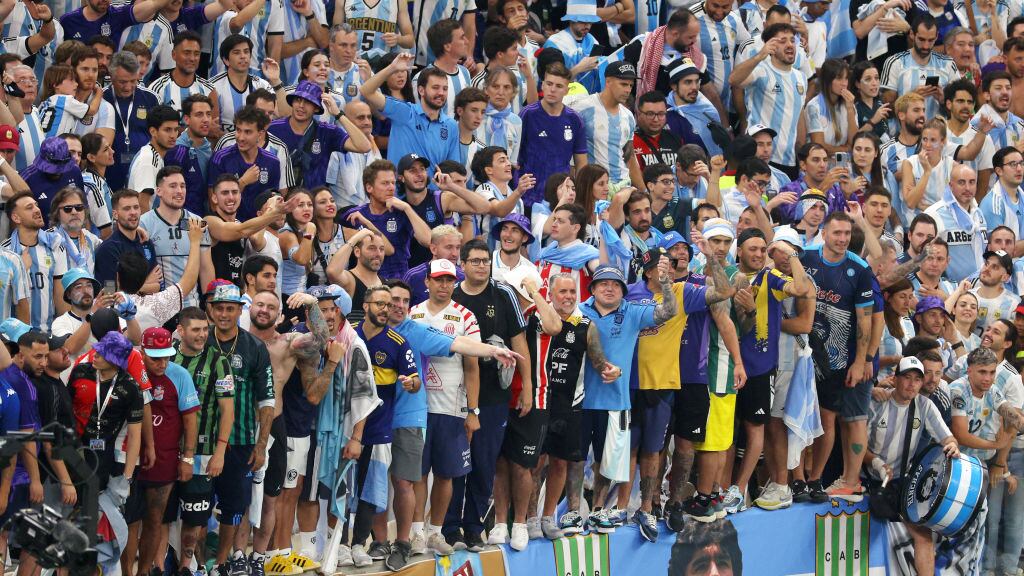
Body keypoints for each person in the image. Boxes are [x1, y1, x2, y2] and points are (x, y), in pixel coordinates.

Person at [446, 239, 530, 550]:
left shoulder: (503, 294)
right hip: (453, 397)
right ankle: (449, 527)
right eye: (476, 261)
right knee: (454, 464)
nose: (482, 266)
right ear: (463, 265)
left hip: (494, 398)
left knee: (484, 465)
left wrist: (528, 389)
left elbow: (521, 345)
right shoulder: (451, 296)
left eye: (486, 261)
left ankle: (473, 527)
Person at [801, 211, 876, 502]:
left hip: (836, 359)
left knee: (826, 420)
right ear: (824, 232)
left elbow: (866, 320)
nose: (843, 239)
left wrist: (860, 361)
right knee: (791, 419)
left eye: (847, 234)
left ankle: (816, 479)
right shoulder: (805, 257)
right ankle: (792, 479)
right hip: (799, 353)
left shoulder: (859, 269)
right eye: (837, 233)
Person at [203, 279, 275, 576]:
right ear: (211, 310)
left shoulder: (255, 347)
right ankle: (193, 563)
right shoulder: (199, 340)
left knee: (234, 508)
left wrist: (260, 446)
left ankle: (223, 563)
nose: (223, 314)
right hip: (201, 441)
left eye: (230, 309)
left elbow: (267, 401)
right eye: (218, 308)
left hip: (242, 439)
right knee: (196, 507)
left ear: (239, 310)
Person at [409, 259, 481, 556]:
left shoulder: (465, 315)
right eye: (438, 279)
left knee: (446, 474)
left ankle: (436, 532)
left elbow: (473, 365)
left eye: (449, 280)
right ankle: (415, 533)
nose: (444, 285)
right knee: (416, 474)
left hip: (452, 408)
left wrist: (473, 411)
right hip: (416, 408)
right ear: (426, 281)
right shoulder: (413, 313)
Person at [865, 356, 958, 576]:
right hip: (868, 480)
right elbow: (855, 449)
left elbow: (948, 438)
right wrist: (877, 463)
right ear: (895, 378)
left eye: (917, 379)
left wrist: (952, 446)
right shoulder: (876, 403)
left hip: (900, 484)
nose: (912, 384)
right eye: (907, 377)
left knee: (924, 536)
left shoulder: (925, 405)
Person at [349, 285, 416, 565]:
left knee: (368, 488)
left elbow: (414, 380)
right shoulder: (350, 333)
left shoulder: (398, 343)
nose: (385, 310)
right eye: (379, 304)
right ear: (366, 305)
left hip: (378, 429)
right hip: (345, 424)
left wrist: (412, 383)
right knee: (341, 485)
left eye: (388, 305)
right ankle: (338, 542)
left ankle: (359, 543)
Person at [129, 327, 200, 576]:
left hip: (164, 460)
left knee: (154, 519)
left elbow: (191, 420)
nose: (162, 363)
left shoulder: (179, 375)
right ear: (142, 352)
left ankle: (145, 571)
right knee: (129, 523)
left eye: (166, 357)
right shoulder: (130, 373)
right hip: (129, 458)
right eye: (155, 358)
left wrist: (188, 458)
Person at [170, 306, 235, 576]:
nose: (202, 335)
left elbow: (227, 410)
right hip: (167, 451)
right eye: (196, 330)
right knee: (163, 515)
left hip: (203, 453)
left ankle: (187, 567)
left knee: (195, 518)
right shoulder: (167, 355)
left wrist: (219, 452)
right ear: (181, 330)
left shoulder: (219, 361)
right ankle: (164, 565)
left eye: (205, 329)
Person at [729, 23, 806, 176]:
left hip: (789, 161)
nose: (790, 45)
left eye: (792, 40)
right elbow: (733, 80)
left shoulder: (801, 77)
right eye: (783, 41)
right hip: (759, 159)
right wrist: (759, 56)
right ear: (770, 46)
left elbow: (799, 118)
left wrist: (800, 153)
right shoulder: (761, 71)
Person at [360, 53, 460, 168]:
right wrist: (392, 68)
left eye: (445, 88)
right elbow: (366, 91)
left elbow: (453, 168)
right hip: (399, 185)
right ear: (421, 90)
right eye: (435, 87)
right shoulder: (404, 112)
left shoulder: (451, 125)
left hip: (434, 186)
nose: (441, 93)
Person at [269, 80, 370, 190]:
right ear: (292, 102)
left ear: (316, 108)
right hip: (280, 199)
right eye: (298, 100)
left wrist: (338, 114)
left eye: (308, 102)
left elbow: (364, 147)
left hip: (314, 201)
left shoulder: (327, 132)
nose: (301, 106)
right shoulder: (273, 128)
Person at [139, 166, 215, 307]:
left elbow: (206, 268)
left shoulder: (198, 222)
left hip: (191, 308)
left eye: (182, 186)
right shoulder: (144, 223)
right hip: (158, 308)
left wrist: (210, 306)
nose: (179, 191)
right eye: (173, 186)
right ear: (159, 191)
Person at [344, 159, 431, 280]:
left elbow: (428, 241)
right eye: (385, 183)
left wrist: (407, 208)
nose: (391, 188)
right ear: (369, 187)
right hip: (365, 283)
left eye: (393, 183)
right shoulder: (355, 215)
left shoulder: (402, 211)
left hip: (399, 282)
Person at [3, 192, 69, 332]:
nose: (37, 210)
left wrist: (65, 331)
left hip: (47, 332)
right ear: (16, 217)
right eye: (29, 207)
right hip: (15, 336)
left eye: (36, 205)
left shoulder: (55, 244)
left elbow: (59, 293)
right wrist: (20, 269)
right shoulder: (5, 252)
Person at [572, 61, 643, 188]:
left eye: (631, 85)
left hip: (623, 185)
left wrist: (643, 191)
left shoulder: (628, 116)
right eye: (623, 84)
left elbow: (630, 157)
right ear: (608, 81)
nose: (628, 90)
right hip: (594, 186)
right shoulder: (582, 108)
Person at [207, 106, 284, 222]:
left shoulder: (272, 162)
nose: (241, 137)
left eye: (247, 132)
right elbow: (214, 204)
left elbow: (272, 204)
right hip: (229, 229)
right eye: (238, 130)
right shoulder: (220, 158)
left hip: (260, 230)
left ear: (260, 133)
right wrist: (242, 182)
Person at [100, 51, 162, 191]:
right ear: (111, 75)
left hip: (144, 170)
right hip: (111, 170)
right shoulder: (101, 98)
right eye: (122, 82)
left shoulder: (151, 98)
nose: (128, 87)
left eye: (133, 81)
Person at [880, 13, 959, 118]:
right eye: (921, 39)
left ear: (936, 37)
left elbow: (961, 109)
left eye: (931, 40)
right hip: (903, 133)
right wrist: (910, 98)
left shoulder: (948, 64)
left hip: (940, 133)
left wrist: (943, 100)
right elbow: (887, 111)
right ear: (912, 34)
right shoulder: (894, 63)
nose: (926, 46)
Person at [93, 189, 157, 286]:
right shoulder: (108, 250)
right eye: (127, 208)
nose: (133, 212)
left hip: (151, 301)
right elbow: (109, 292)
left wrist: (125, 287)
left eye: (136, 207)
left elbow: (157, 285)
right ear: (115, 214)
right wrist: (144, 285)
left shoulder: (146, 243)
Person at [20, 137, 85, 229]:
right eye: (53, 167)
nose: (57, 171)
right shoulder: (27, 178)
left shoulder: (74, 171)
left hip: (72, 232)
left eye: (61, 166)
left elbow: (83, 206)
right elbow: (19, 216)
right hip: (41, 237)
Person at [980, 146, 1024, 240]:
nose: (1019, 168)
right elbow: (1001, 250)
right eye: (1013, 164)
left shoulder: (1022, 196)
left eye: (1021, 163)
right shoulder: (991, 204)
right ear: (999, 171)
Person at [971, 249, 1020, 334]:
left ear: (1005, 277)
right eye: (987, 264)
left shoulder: (1014, 304)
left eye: (995, 267)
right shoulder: (968, 296)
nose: (987, 268)